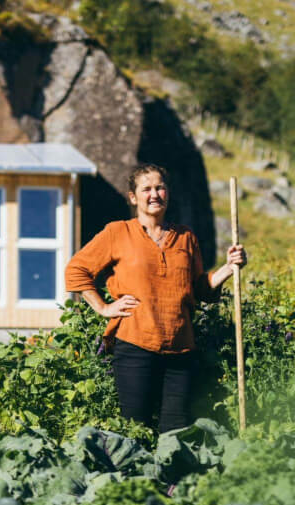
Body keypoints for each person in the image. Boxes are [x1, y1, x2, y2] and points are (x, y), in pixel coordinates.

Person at [64, 164, 247, 433]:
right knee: (135, 427)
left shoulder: (186, 237)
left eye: (160, 187)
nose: (154, 194)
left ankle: (170, 476)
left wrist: (228, 268)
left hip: (180, 347)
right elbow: (76, 270)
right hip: (135, 343)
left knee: (176, 430)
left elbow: (200, 291)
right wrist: (103, 308)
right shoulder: (118, 232)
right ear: (133, 197)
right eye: (146, 189)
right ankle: (135, 475)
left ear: (168, 193)